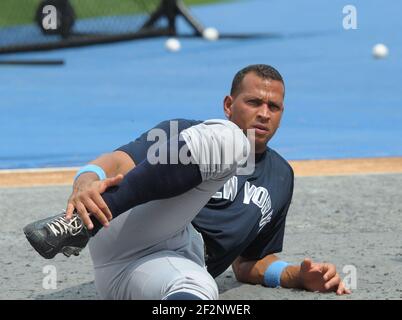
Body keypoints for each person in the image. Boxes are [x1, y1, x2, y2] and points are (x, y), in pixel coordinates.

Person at [24, 64, 351, 299]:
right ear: (229, 104)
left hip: (160, 270)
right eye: (254, 102)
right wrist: (86, 179)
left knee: (202, 291)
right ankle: (82, 223)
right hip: (123, 225)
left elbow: (250, 263)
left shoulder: (281, 176)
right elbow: (119, 162)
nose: (264, 113)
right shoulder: (185, 133)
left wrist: (295, 276)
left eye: (274, 106)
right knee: (233, 141)